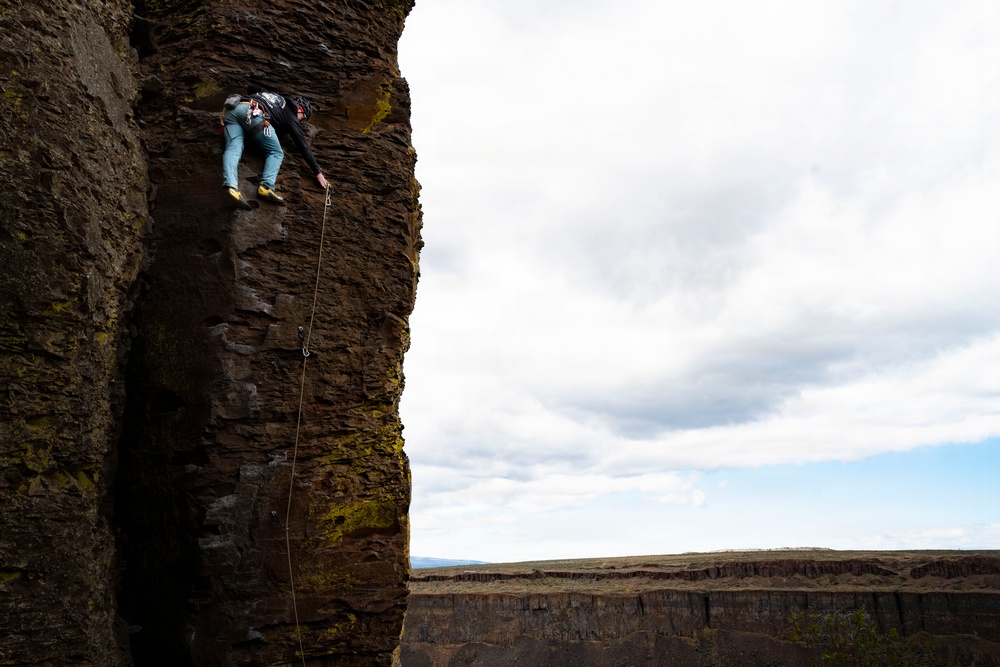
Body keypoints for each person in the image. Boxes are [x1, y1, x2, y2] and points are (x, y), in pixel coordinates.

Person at [221, 85, 329, 208]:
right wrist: (317, 172)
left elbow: (251, 87)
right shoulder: (291, 116)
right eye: (302, 119)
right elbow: (302, 145)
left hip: (233, 109)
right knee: (276, 152)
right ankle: (266, 187)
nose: (300, 122)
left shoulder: (273, 96)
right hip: (254, 113)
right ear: (300, 109)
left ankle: (231, 187)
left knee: (233, 149)